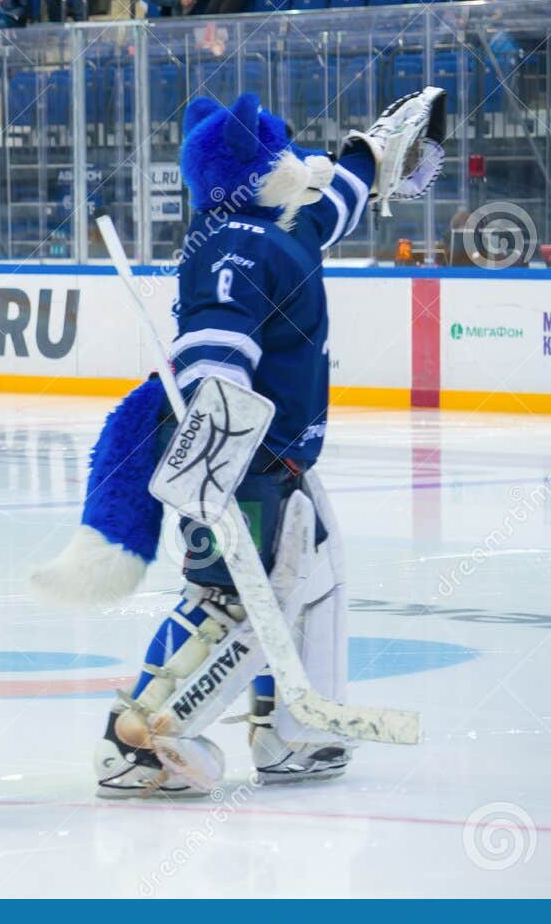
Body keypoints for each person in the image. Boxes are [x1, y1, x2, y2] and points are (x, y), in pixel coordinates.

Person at [31, 86, 446, 798]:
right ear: (255, 170)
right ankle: (135, 742)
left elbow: (337, 201)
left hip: (277, 454)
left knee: (316, 579)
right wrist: (215, 470)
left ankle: (295, 733)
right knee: (227, 601)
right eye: (283, 151)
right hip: (237, 459)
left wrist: (369, 155)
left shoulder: (285, 223)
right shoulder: (228, 246)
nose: (298, 157)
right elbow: (215, 359)